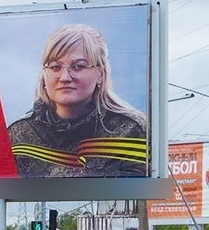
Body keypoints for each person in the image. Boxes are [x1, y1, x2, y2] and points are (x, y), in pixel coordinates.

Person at [8, 24, 149, 177]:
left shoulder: (130, 131)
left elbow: (143, 197)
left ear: (101, 73)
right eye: (55, 67)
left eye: (78, 66)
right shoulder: (18, 136)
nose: (65, 78)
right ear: (44, 74)